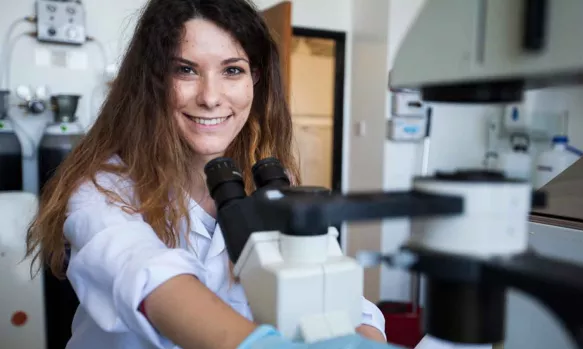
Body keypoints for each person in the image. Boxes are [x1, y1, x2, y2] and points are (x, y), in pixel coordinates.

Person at [25, 0, 389, 348]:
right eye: (185, 69)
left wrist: (361, 335)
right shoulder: (104, 187)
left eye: (232, 70)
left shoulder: (272, 188)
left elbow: (345, 304)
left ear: (254, 80)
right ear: (152, 82)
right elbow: (146, 275)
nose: (211, 97)